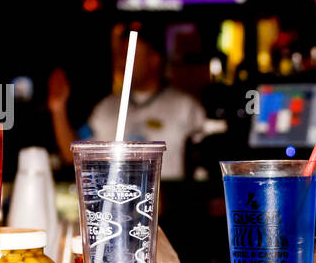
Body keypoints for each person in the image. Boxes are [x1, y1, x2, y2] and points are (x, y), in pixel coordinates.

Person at [49, 22, 212, 182]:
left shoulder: (186, 107)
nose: (121, 62)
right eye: (119, 55)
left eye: (129, 55)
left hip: (167, 204)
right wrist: (58, 109)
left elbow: (206, 166)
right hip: (115, 203)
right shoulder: (106, 107)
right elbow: (73, 154)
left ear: (154, 59)